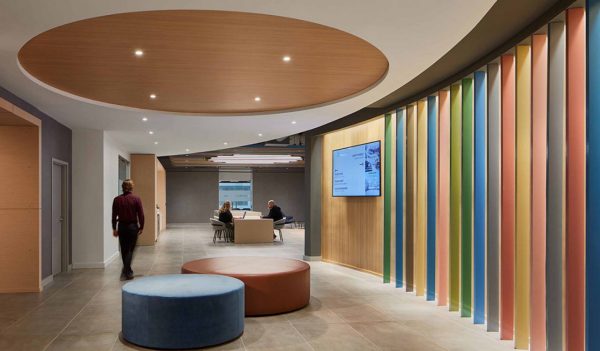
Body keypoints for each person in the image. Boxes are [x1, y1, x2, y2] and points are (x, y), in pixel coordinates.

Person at [112, 179, 144, 280]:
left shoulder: (117, 199)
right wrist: (141, 226)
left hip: (121, 226)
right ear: (132, 187)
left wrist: (114, 228)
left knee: (124, 250)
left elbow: (114, 215)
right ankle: (127, 272)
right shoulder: (136, 199)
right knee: (130, 249)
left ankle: (127, 270)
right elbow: (141, 214)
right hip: (132, 227)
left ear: (122, 187)